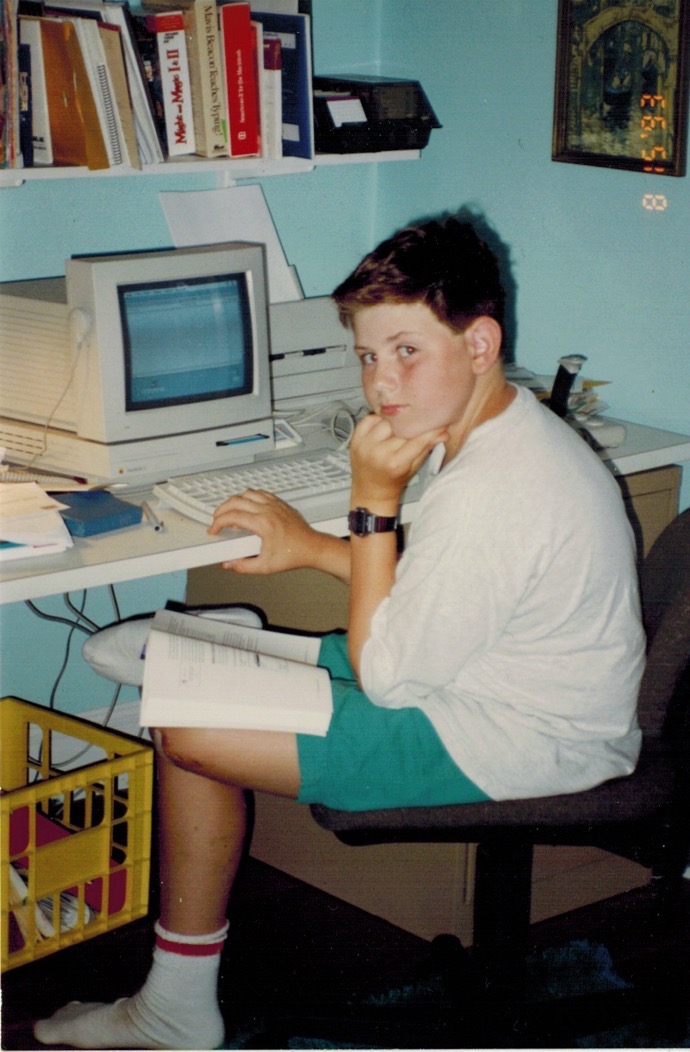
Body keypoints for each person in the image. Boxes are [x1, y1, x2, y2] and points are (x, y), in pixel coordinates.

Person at [34, 210, 645, 1050]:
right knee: (187, 674)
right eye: (367, 355)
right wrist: (314, 549)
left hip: (519, 732)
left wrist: (371, 503)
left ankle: (173, 1009)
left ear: (479, 343)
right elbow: (440, 591)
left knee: (184, 731)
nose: (381, 384)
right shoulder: (500, 430)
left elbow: (390, 675)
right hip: (486, 674)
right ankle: (213, 658)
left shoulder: (497, 488)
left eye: (407, 351)